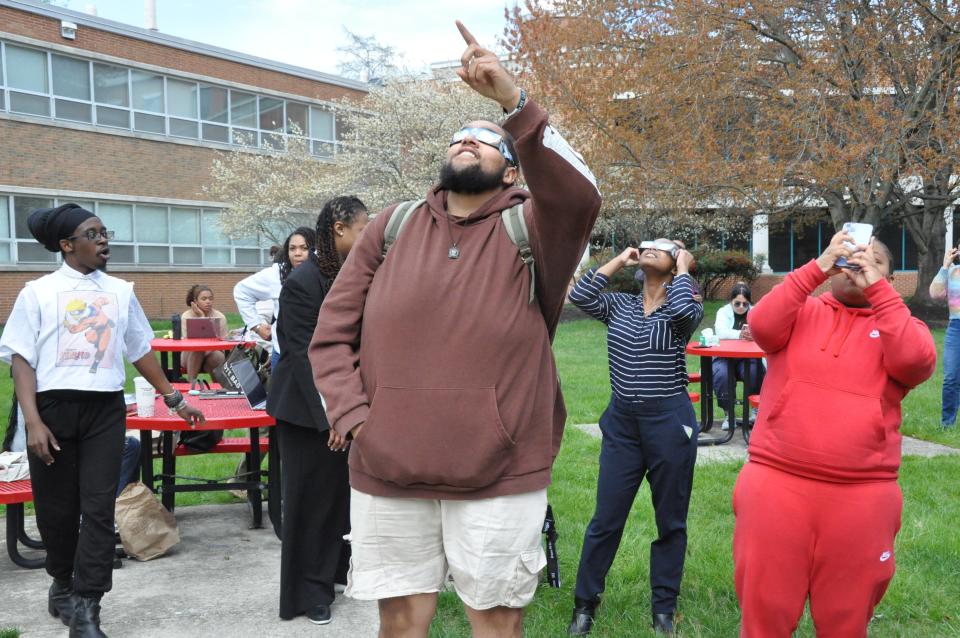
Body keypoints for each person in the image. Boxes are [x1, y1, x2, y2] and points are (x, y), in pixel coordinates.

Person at [308, 20, 601, 638]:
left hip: (500, 468)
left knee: (494, 621)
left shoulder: (535, 230)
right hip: (388, 466)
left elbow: (579, 196)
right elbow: (331, 334)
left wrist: (511, 103)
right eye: (460, 136)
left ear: (515, 172)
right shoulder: (392, 226)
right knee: (400, 620)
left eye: (487, 140)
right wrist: (355, 415)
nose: (468, 141)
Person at [0, 203, 204, 638]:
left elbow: (139, 349)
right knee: (57, 510)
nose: (103, 240)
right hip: (52, 411)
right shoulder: (37, 292)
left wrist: (174, 398)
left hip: (104, 411)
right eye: (92, 234)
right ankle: (62, 584)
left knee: (96, 509)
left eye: (104, 232)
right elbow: (21, 360)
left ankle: (88, 606)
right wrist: (33, 422)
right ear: (66, 245)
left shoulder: (120, 291)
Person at [733, 233, 936, 637]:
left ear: (890, 279)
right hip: (776, 483)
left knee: (846, 618)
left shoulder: (901, 326)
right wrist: (817, 266)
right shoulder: (800, 309)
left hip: (862, 495)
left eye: (871, 259)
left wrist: (877, 292)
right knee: (764, 615)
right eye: (849, 255)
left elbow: (915, 362)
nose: (858, 263)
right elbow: (761, 324)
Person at [567, 240, 703, 637]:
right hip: (623, 424)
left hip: (669, 422)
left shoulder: (685, 304)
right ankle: (584, 604)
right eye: (645, 246)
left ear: (678, 260)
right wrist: (620, 260)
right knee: (605, 519)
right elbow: (580, 295)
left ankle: (664, 608)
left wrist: (682, 269)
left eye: (664, 247)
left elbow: (680, 309)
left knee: (670, 521)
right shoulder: (620, 306)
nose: (649, 248)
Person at [268, 196, 369, 625]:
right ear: (340, 228)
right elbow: (303, 354)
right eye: (364, 228)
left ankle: (333, 570)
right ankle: (311, 592)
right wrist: (333, 414)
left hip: (340, 407)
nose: (369, 237)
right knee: (311, 504)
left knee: (338, 500)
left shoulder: (353, 275)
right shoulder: (303, 282)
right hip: (309, 412)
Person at [233, 227, 315, 368]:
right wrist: (256, 325)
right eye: (292, 248)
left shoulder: (325, 274)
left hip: (316, 354)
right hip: (284, 354)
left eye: (304, 248)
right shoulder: (277, 274)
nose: (297, 253)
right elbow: (241, 291)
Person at [712, 282, 765, 429]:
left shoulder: (755, 312)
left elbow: (763, 332)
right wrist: (741, 334)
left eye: (745, 304)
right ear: (731, 301)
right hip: (723, 357)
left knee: (755, 369)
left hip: (747, 358)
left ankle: (755, 409)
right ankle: (729, 414)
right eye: (737, 303)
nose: (741, 307)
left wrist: (755, 335)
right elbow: (721, 332)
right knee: (721, 375)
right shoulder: (723, 312)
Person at [929, 243, 960, 428]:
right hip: (955, 327)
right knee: (951, 378)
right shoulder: (952, 272)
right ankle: (947, 423)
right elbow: (935, 294)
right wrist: (945, 265)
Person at [180, 284, 228, 387]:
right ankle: (191, 385)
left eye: (210, 299)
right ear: (195, 301)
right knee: (198, 348)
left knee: (216, 356)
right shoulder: (186, 316)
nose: (208, 301)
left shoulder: (220, 317)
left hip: (212, 355)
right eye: (204, 299)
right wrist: (201, 317)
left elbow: (224, 342)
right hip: (190, 356)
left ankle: (220, 388)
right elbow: (187, 342)